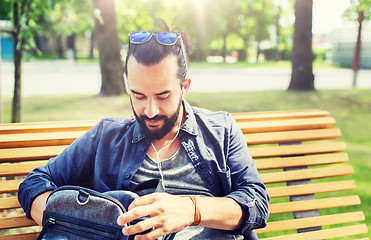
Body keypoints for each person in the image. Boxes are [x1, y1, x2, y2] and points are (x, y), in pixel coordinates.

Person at [18, 27, 269, 240]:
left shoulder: (222, 130)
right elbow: (34, 184)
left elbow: (257, 202)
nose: (150, 111)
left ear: (185, 87)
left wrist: (191, 209)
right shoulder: (107, 136)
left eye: (163, 95)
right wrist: (81, 225)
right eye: (138, 95)